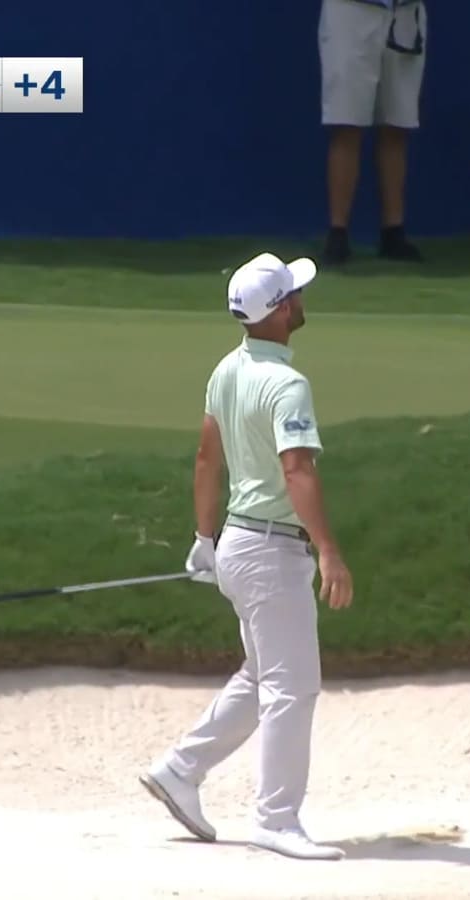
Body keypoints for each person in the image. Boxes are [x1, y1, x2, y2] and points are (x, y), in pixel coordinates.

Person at [139, 251, 354, 861]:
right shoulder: (287, 383)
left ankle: (180, 770)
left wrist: (204, 540)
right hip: (271, 551)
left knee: (262, 677)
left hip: (236, 542)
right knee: (293, 688)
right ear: (282, 310)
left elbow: (208, 459)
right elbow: (297, 470)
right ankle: (276, 819)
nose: (302, 302)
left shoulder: (227, 369)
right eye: (296, 295)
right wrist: (329, 551)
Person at [317, 0, 427, 265]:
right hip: (351, 10)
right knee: (347, 123)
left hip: (404, 12)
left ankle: (393, 231)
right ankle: (338, 233)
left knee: (397, 124)